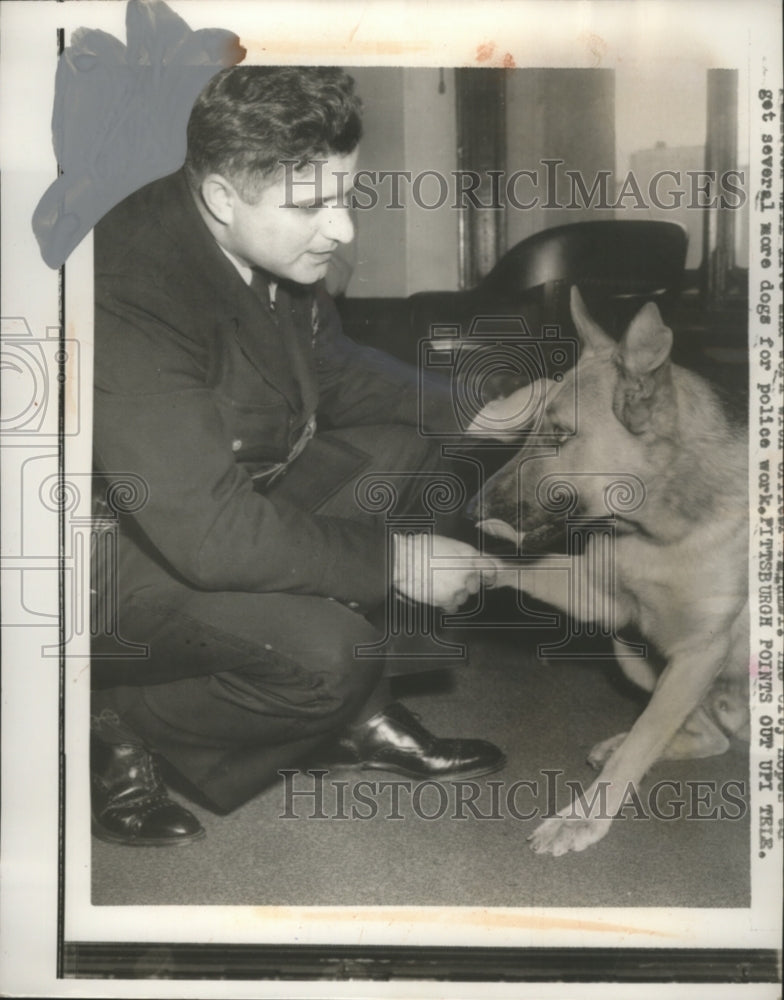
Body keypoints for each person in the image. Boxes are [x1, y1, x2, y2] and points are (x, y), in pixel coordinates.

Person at [90, 65, 504, 847]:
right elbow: (212, 535)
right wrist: (400, 560)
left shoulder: (263, 247)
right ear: (220, 197)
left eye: (344, 195)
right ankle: (105, 719)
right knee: (328, 656)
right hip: (95, 564)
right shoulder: (128, 287)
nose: (342, 229)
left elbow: (335, 370)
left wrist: (477, 413)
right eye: (312, 205)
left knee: (412, 446)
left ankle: (361, 717)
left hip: (204, 508)